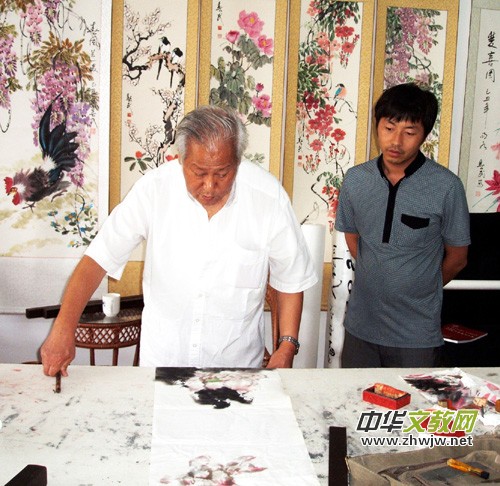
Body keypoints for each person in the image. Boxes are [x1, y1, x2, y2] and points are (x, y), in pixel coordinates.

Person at [41, 105, 317, 376]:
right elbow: (99, 258)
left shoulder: (268, 198)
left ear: (238, 161)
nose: (210, 186)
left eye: (222, 174)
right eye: (199, 173)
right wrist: (63, 327)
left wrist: (287, 346)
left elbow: (290, 279)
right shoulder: (154, 190)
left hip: (237, 370)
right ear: (182, 159)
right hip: (163, 366)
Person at [335, 83, 470, 368]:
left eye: (409, 132)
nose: (396, 141)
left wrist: (420, 285)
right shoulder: (356, 180)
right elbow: (353, 237)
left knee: (413, 399)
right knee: (355, 397)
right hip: (361, 329)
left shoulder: (447, 187)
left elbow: (458, 258)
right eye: (389, 128)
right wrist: (381, 271)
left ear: (424, 135)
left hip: (416, 336)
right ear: (377, 125)